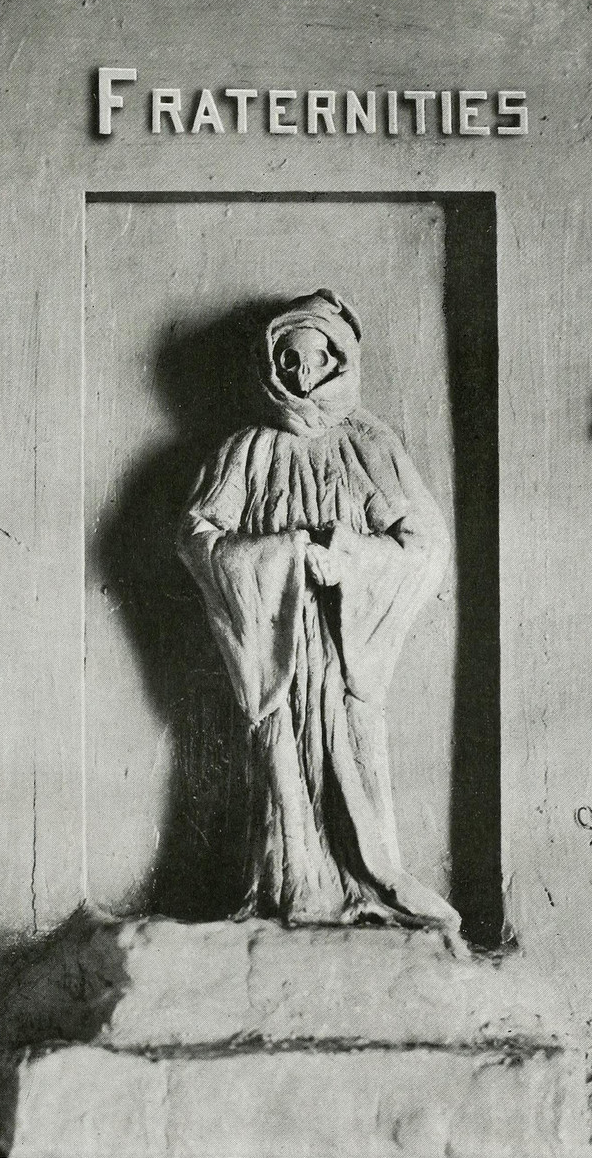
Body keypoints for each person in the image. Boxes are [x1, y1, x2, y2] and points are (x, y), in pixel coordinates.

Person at [177, 289, 460, 933]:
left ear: (340, 360)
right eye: (290, 360)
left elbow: (423, 544)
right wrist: (280, 556)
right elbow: (198, 537)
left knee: (349, 746)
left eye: (316, 358)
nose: (303, 373)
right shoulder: (246, 450)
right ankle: (295, 885)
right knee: (281, 752)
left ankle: (370, 876)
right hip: (274, 636)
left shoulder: (369, 445)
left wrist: (350, 559)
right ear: (272, 365)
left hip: (343, 636)